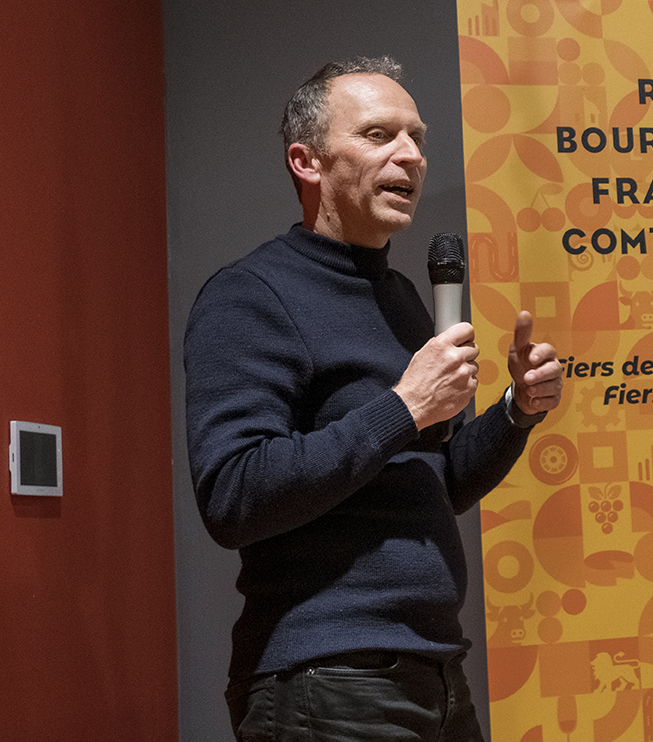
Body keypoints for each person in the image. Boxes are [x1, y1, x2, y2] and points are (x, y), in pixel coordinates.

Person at [184, 56, 563, 741]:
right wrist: (404, 406)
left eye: (417, 137)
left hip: (436, 672)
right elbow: (233, 495)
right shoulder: (250, 295)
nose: (411, 155)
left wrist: (515, 411)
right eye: (379, 134)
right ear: (307, 162)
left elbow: (437, 479)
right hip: (327, 680)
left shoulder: (400, 298)